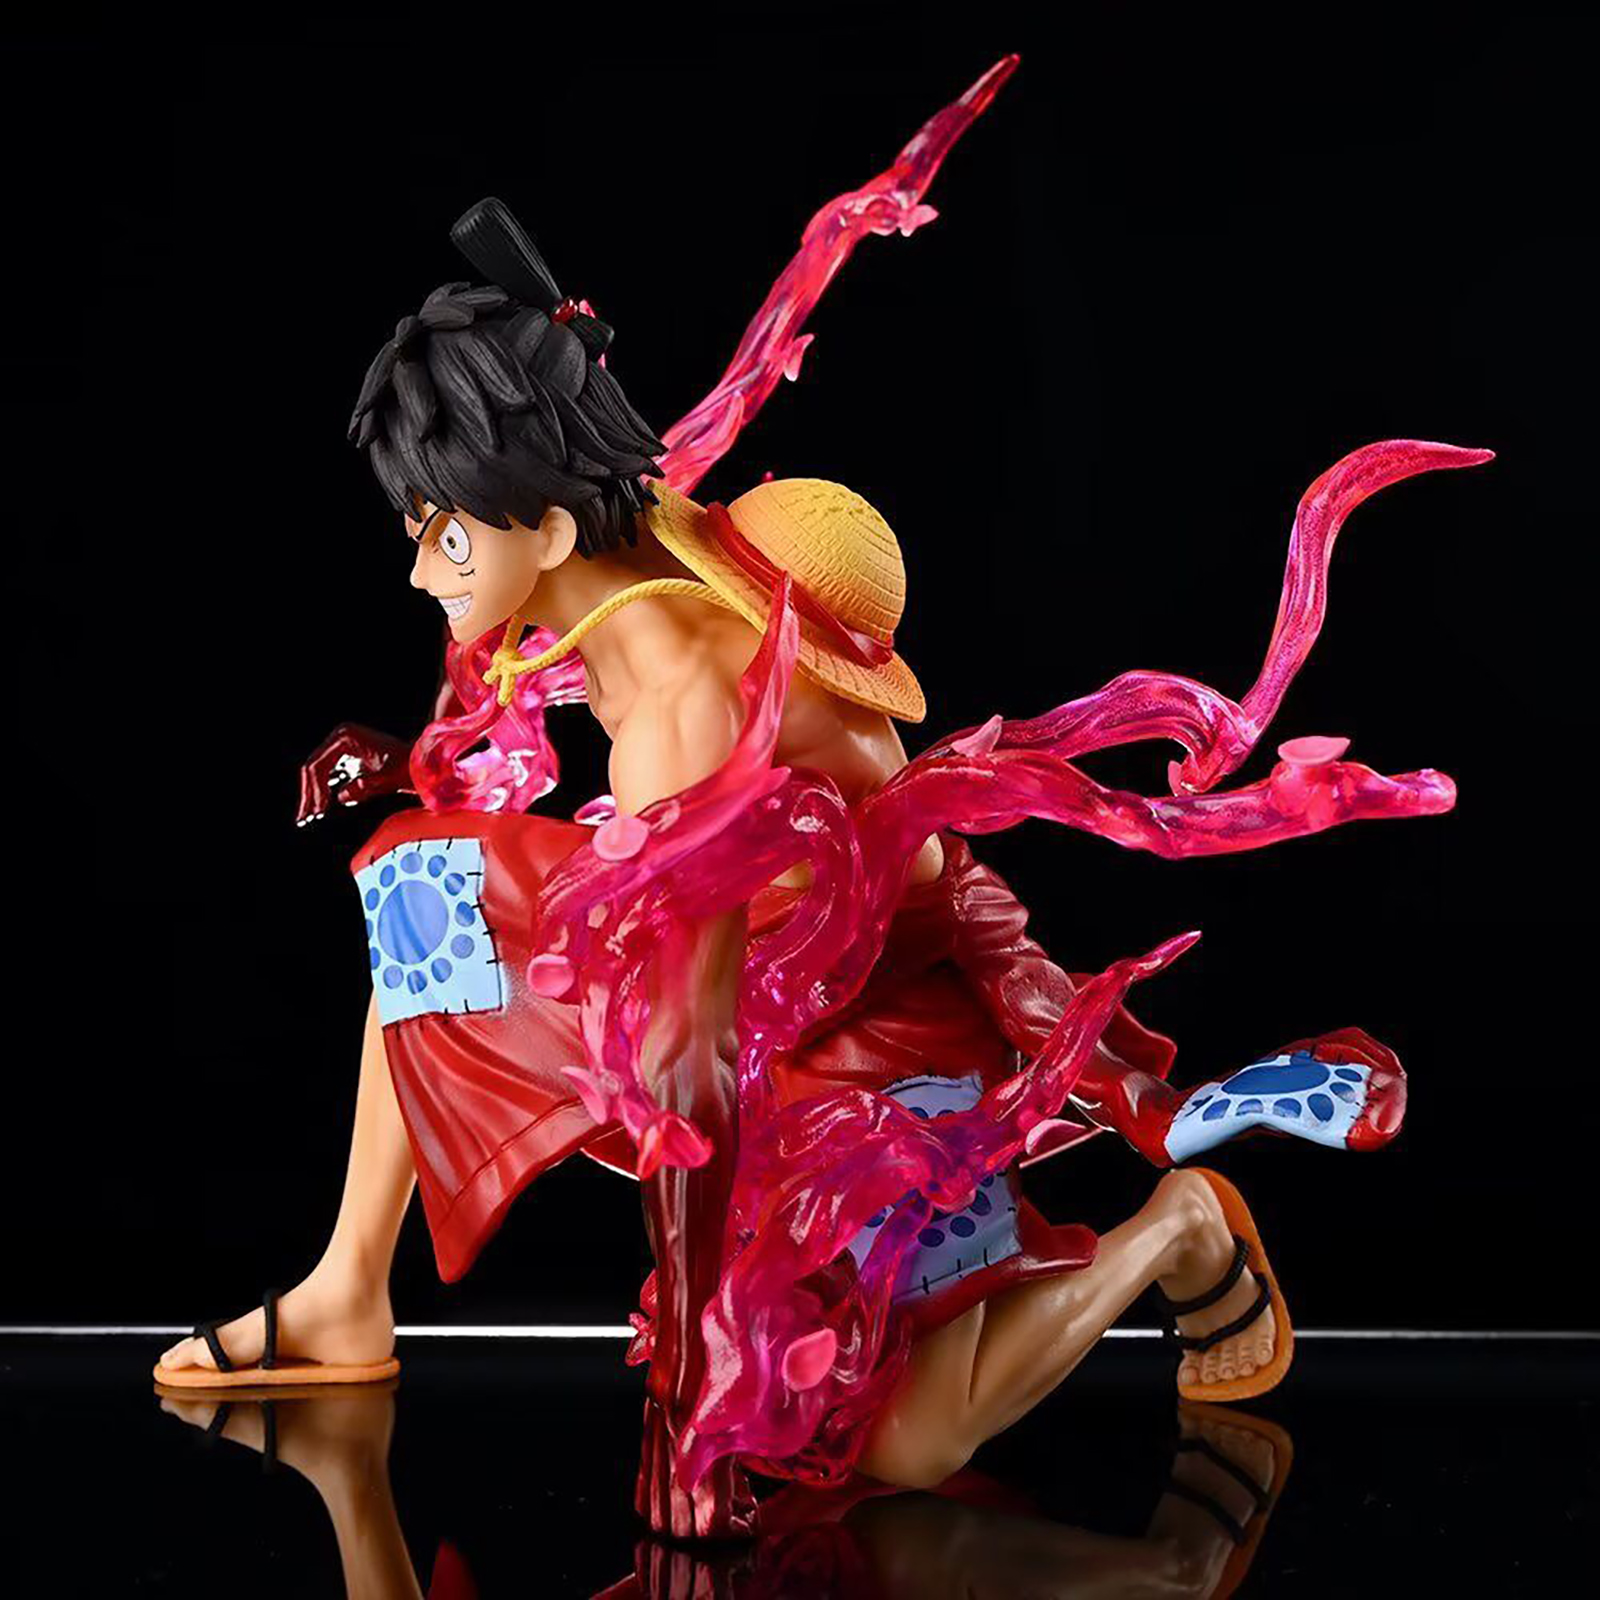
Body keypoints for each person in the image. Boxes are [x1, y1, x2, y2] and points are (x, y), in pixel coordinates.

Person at [153, 98, 1482, 1539]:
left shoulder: (682, 713)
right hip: (770, 972)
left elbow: (692, 1080)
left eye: (445, 530)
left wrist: (695, 1410)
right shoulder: (621, 530)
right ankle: (347, 1293)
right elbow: (511, 659)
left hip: (887, 1031)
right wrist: (413, 760)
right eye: (418, 524)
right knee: (423, 893)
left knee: (902, 1444)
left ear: (545, 522)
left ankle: (1176, 1233)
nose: (424, 569)